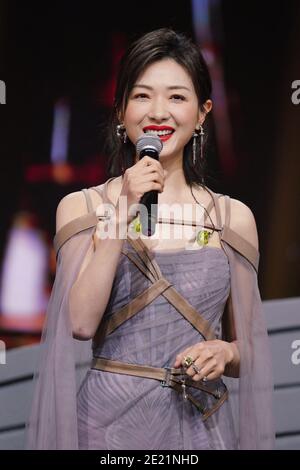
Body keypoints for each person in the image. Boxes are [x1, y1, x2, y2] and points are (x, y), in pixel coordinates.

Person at [26, 28, 274, 450]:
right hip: (105, 431)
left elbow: (252, 350)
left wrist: (226, 354)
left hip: (197, 430)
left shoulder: (233, 218)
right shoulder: (83, 207)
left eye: (177, 97)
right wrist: (122, 208)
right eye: (142, 96)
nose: (159, 111)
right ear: (121, 110)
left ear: (202, 113)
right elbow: (81, 323)